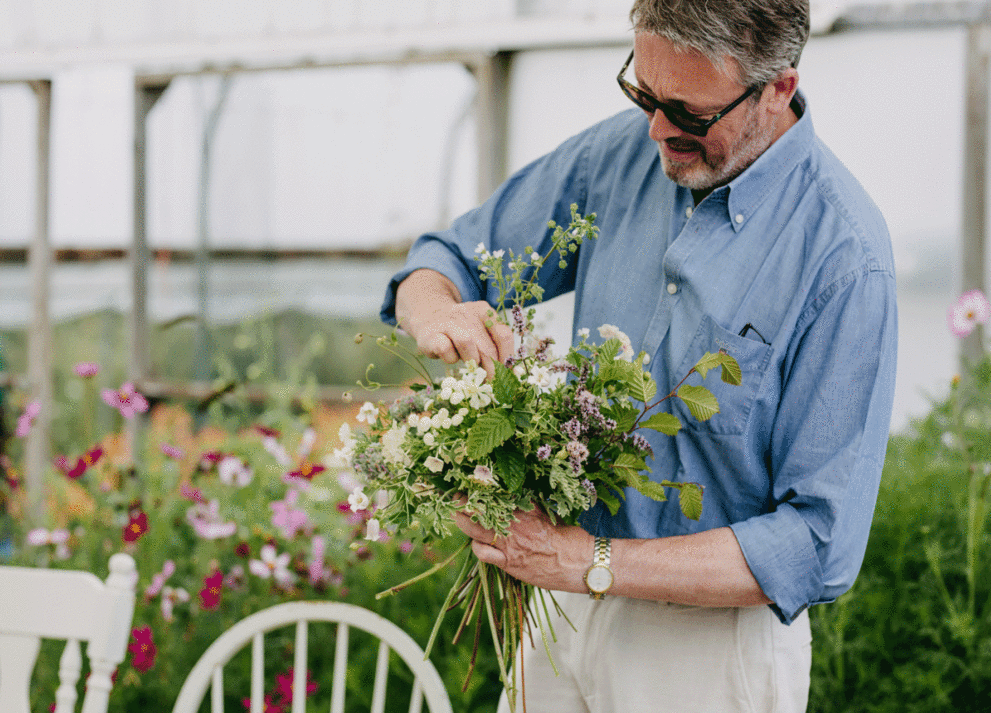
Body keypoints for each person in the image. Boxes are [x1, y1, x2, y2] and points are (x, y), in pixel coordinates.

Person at [380, 0, 897, 710]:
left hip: (709, 653)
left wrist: (589, 561)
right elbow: (445, 259)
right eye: (643, 93)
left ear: (777, 86)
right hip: (558, 613)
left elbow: (815, 542)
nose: (656, 128)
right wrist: (437, 310)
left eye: (686, 111)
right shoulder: (619, 155)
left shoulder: (843, 260)